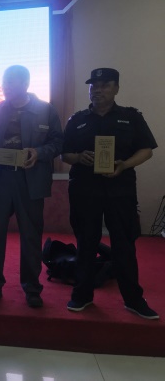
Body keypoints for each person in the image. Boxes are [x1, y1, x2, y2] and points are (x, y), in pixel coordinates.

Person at [61, 67, 159, 320]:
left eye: (104, 85)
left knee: (124, 245)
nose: (97, 90)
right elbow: (65, 154)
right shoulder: (77, 120)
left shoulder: (131, 117)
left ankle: (134, 300)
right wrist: (78, 158)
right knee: (86, 243)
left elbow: (146, 150)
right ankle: (82, 295)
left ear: (116, 88)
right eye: (93, 86)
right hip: (85, 190)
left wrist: (124, 165)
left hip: (120, 190)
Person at [0, 65, 63, 308]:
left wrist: (38, 153)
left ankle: (32, 288)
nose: (5, 86)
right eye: (4, 81)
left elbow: (58, 142)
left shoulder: (45, 110)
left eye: (11, 82)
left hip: (30, 180)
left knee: (30, 236)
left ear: (26, 83)